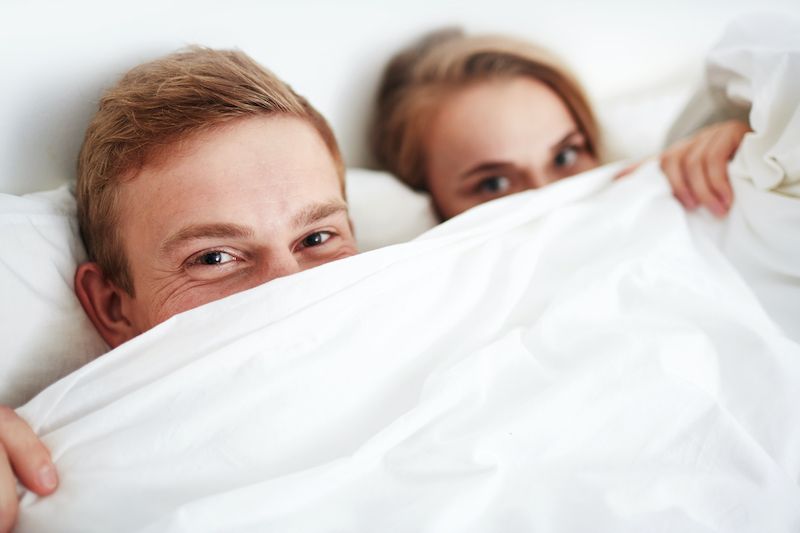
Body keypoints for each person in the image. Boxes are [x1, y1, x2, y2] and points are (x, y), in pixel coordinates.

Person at [0, 46, 357, 533]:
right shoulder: (57, 483)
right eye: (213, 258)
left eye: (316, 238)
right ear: (113, 308)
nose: (290, 290)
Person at [370, 28, 750, 220]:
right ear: (429, 200)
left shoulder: (663, 184)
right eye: (494, 184)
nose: (552, 197)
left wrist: (753, 150)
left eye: (566, 156)